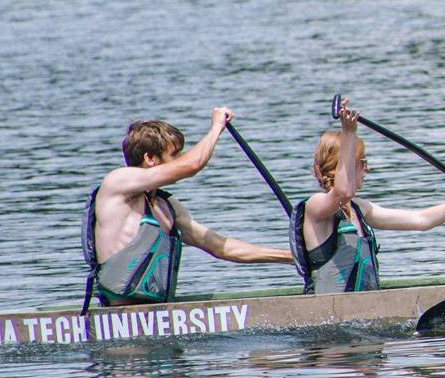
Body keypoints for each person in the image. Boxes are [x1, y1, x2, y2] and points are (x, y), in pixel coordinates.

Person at [82, 108, 293, 312]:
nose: (181, 158)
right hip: (119, 318)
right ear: (150, 158)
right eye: (175, 154)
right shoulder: (117, 183)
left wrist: (291, 257)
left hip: (156, 313)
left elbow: (220, 247)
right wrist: (217, 127)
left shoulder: (168, 207)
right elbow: (192, 165)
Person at [291, 99, 445, 294]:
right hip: (329, 320)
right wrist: (349, 132)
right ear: (346, 163)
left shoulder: (360, 208)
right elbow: (343, 192)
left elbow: (422, 220)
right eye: (363, 161)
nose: (367, 168)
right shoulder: (316, 206)